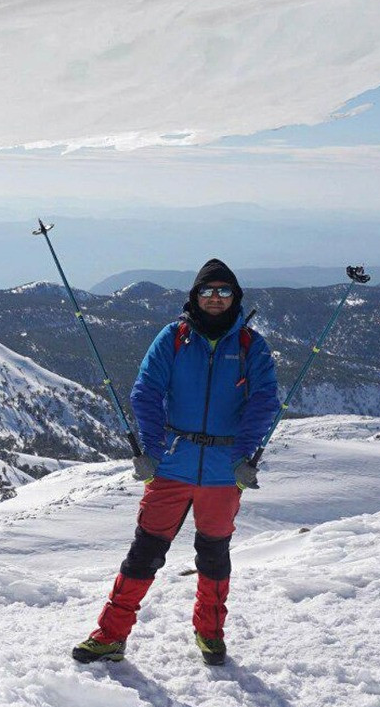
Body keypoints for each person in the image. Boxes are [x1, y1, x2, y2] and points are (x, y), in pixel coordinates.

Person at [72, 258, 280, 666]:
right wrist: (151, 449)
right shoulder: (173, 338)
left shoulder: (250, 346)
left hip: (223, 471)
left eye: (224, 291)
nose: (216, 298)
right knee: (144, 554)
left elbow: (264, 401)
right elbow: (145, 391)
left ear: (235, 297)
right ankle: (110, 635)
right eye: (208, 291)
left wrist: (244, 454)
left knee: (214, 557)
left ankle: (210, 633)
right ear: (195, 297)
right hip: (171, 465)